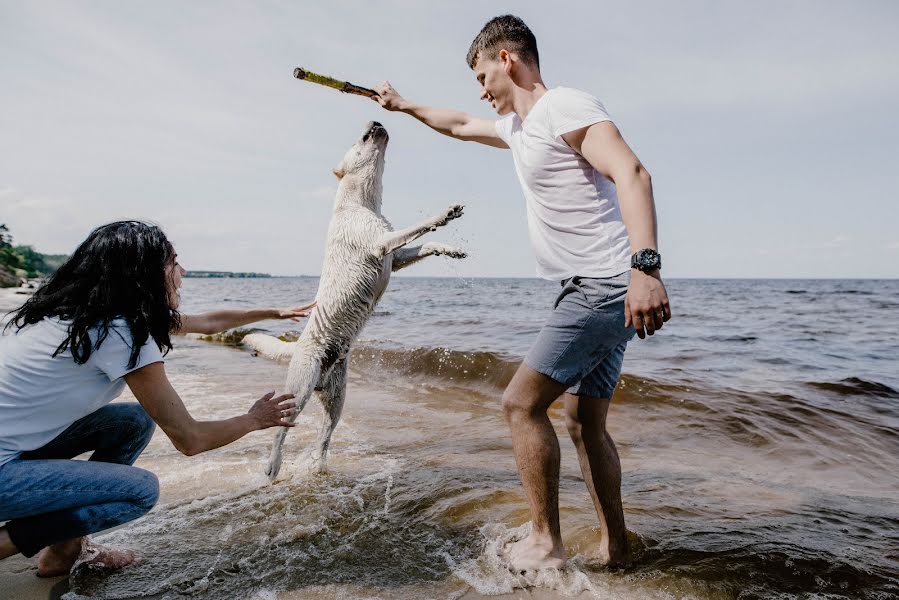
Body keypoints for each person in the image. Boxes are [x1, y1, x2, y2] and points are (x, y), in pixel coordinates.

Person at [372, 15, 671, 570]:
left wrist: (646, 268)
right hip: (592, 288)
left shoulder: (566, 106)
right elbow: (460, 124)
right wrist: (405, 104)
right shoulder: (519, 129)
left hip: (603, 285)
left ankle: (545, 543)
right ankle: (617, 548)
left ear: (506, 58)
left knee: (519, 404)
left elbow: (633, 172)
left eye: (483, 74)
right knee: (584, 424)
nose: (481, 89)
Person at [0, 220, 315, 577]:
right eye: (173, 262)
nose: (182, 271)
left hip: (12, 454)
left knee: (130, 421)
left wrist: (275, 313)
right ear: (144, 273)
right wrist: (254, 420)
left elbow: (208, 322)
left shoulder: (75, 313)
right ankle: (10, 541)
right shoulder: (120, 333)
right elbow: (189, 439)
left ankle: (65, 550)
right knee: (140, 492)